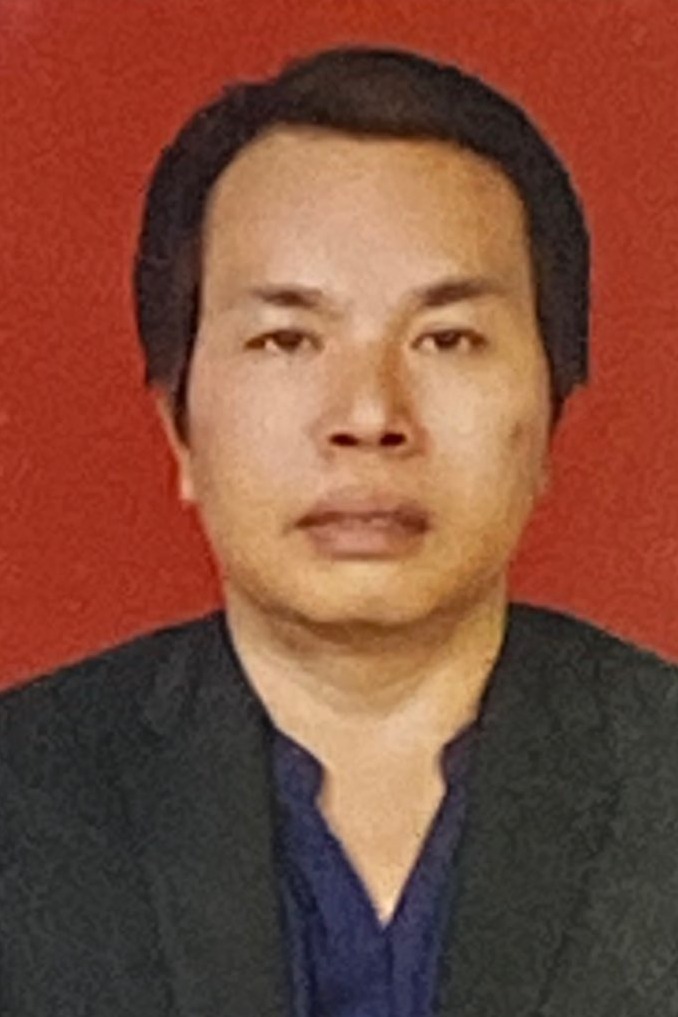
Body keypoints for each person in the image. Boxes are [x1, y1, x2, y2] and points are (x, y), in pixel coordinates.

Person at [1, 43, 677, 1017]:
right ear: (179, 425)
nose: (368, 414)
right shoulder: (23, 796)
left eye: (447, 339)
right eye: (287, 338)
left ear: (552, 414)